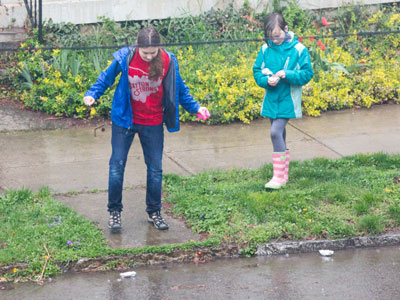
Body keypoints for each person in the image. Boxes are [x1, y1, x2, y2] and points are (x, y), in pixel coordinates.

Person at [83, 26, 210, 231]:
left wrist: (196, 108)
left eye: (153, 52)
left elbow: (180, 89)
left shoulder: (168, 60)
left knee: (155, 169)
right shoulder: (126, 57)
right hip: (125, 120)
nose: (150, 57)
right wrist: (93, 94)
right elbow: (106, 77)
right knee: (116, 166)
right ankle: (114, 212)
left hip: (152, 122)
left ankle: (154, 211)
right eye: (145, 53)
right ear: (137, 46)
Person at [253, 13, 313, 189]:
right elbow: (257, 70)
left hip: (288, 99)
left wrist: (288, 74)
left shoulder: (299, 50)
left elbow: (307, 73)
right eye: (272, 37)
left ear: (286, 30)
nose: (275, 40)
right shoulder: (265, 49)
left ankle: (278, 177)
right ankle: (283, 175)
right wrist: (266, 80)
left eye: (278, 36)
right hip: (271, 98)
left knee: (275, 132)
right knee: (280, 133)